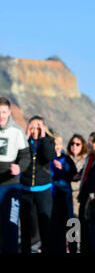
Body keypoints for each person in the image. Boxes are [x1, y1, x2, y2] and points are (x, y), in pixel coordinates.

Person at [20, 116, 56, 253]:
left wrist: (42, 137)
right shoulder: (24, 141)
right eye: (32, 127)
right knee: (26, 225)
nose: (35, 130)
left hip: (43, 189)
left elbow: (48, 156)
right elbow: (19, 156)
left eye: (38, 127)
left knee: (45, 224)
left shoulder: (48, 141)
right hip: (26, 189)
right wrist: (25, 137)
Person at [0, 97, 31, 253]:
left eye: (4, 112)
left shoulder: (17, 131)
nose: (1, 115)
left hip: (11, 184)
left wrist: (19, 167)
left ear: (9, 112)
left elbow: (26, 156)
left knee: (11, 224)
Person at [49, 133, 77, 253]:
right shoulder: (48, 159)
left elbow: (73, 174)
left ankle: (73, 249)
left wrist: (63, 168)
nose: (57, 147)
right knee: (56, 226)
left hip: (65, 196)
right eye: (54, 145)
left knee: (71, 224)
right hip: (52, 196)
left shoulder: (66, 159)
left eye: (59, 144)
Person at [67, 134, 89, 220]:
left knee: (76, 223)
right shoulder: (65, 159)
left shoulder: (86, 160)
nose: (74, 146)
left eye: (77, 144)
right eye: (72, 143)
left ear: (83, 145)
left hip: (80, 197)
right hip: (66, 197)